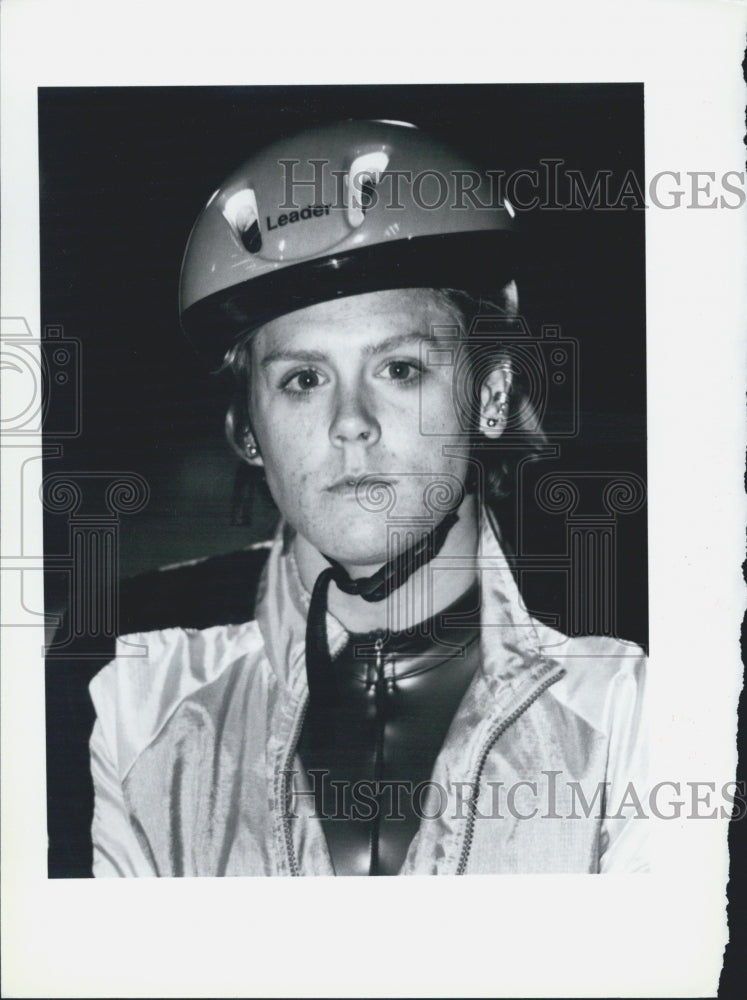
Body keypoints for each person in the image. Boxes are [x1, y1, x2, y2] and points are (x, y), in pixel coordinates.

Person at [86, 120, 647, 876]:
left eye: (400, 369)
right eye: (303, 380)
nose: (349, 423)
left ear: (490, 395)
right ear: (248, 430)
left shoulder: (626, 706)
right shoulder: (132, 697)